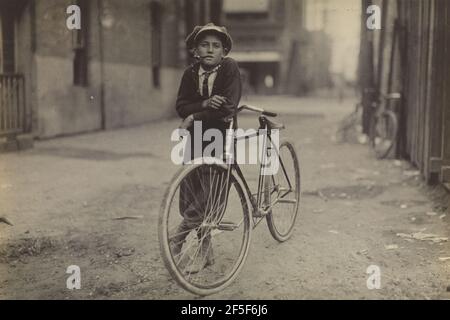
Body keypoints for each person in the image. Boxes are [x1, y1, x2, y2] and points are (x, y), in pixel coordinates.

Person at [170, 23, 242, 273]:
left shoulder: (230, 68)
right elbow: (181, 106)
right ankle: (206, 250)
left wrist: (193, 117)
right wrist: (205, 103)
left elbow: (227, 109)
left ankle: (179, 237)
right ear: (195, 50)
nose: (210, 50)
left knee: (210, 195)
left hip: (220, 137)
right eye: (204, 45)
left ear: (224, 51)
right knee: (191, 190)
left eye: (216, 46)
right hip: (196, 139)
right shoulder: (190, 74)